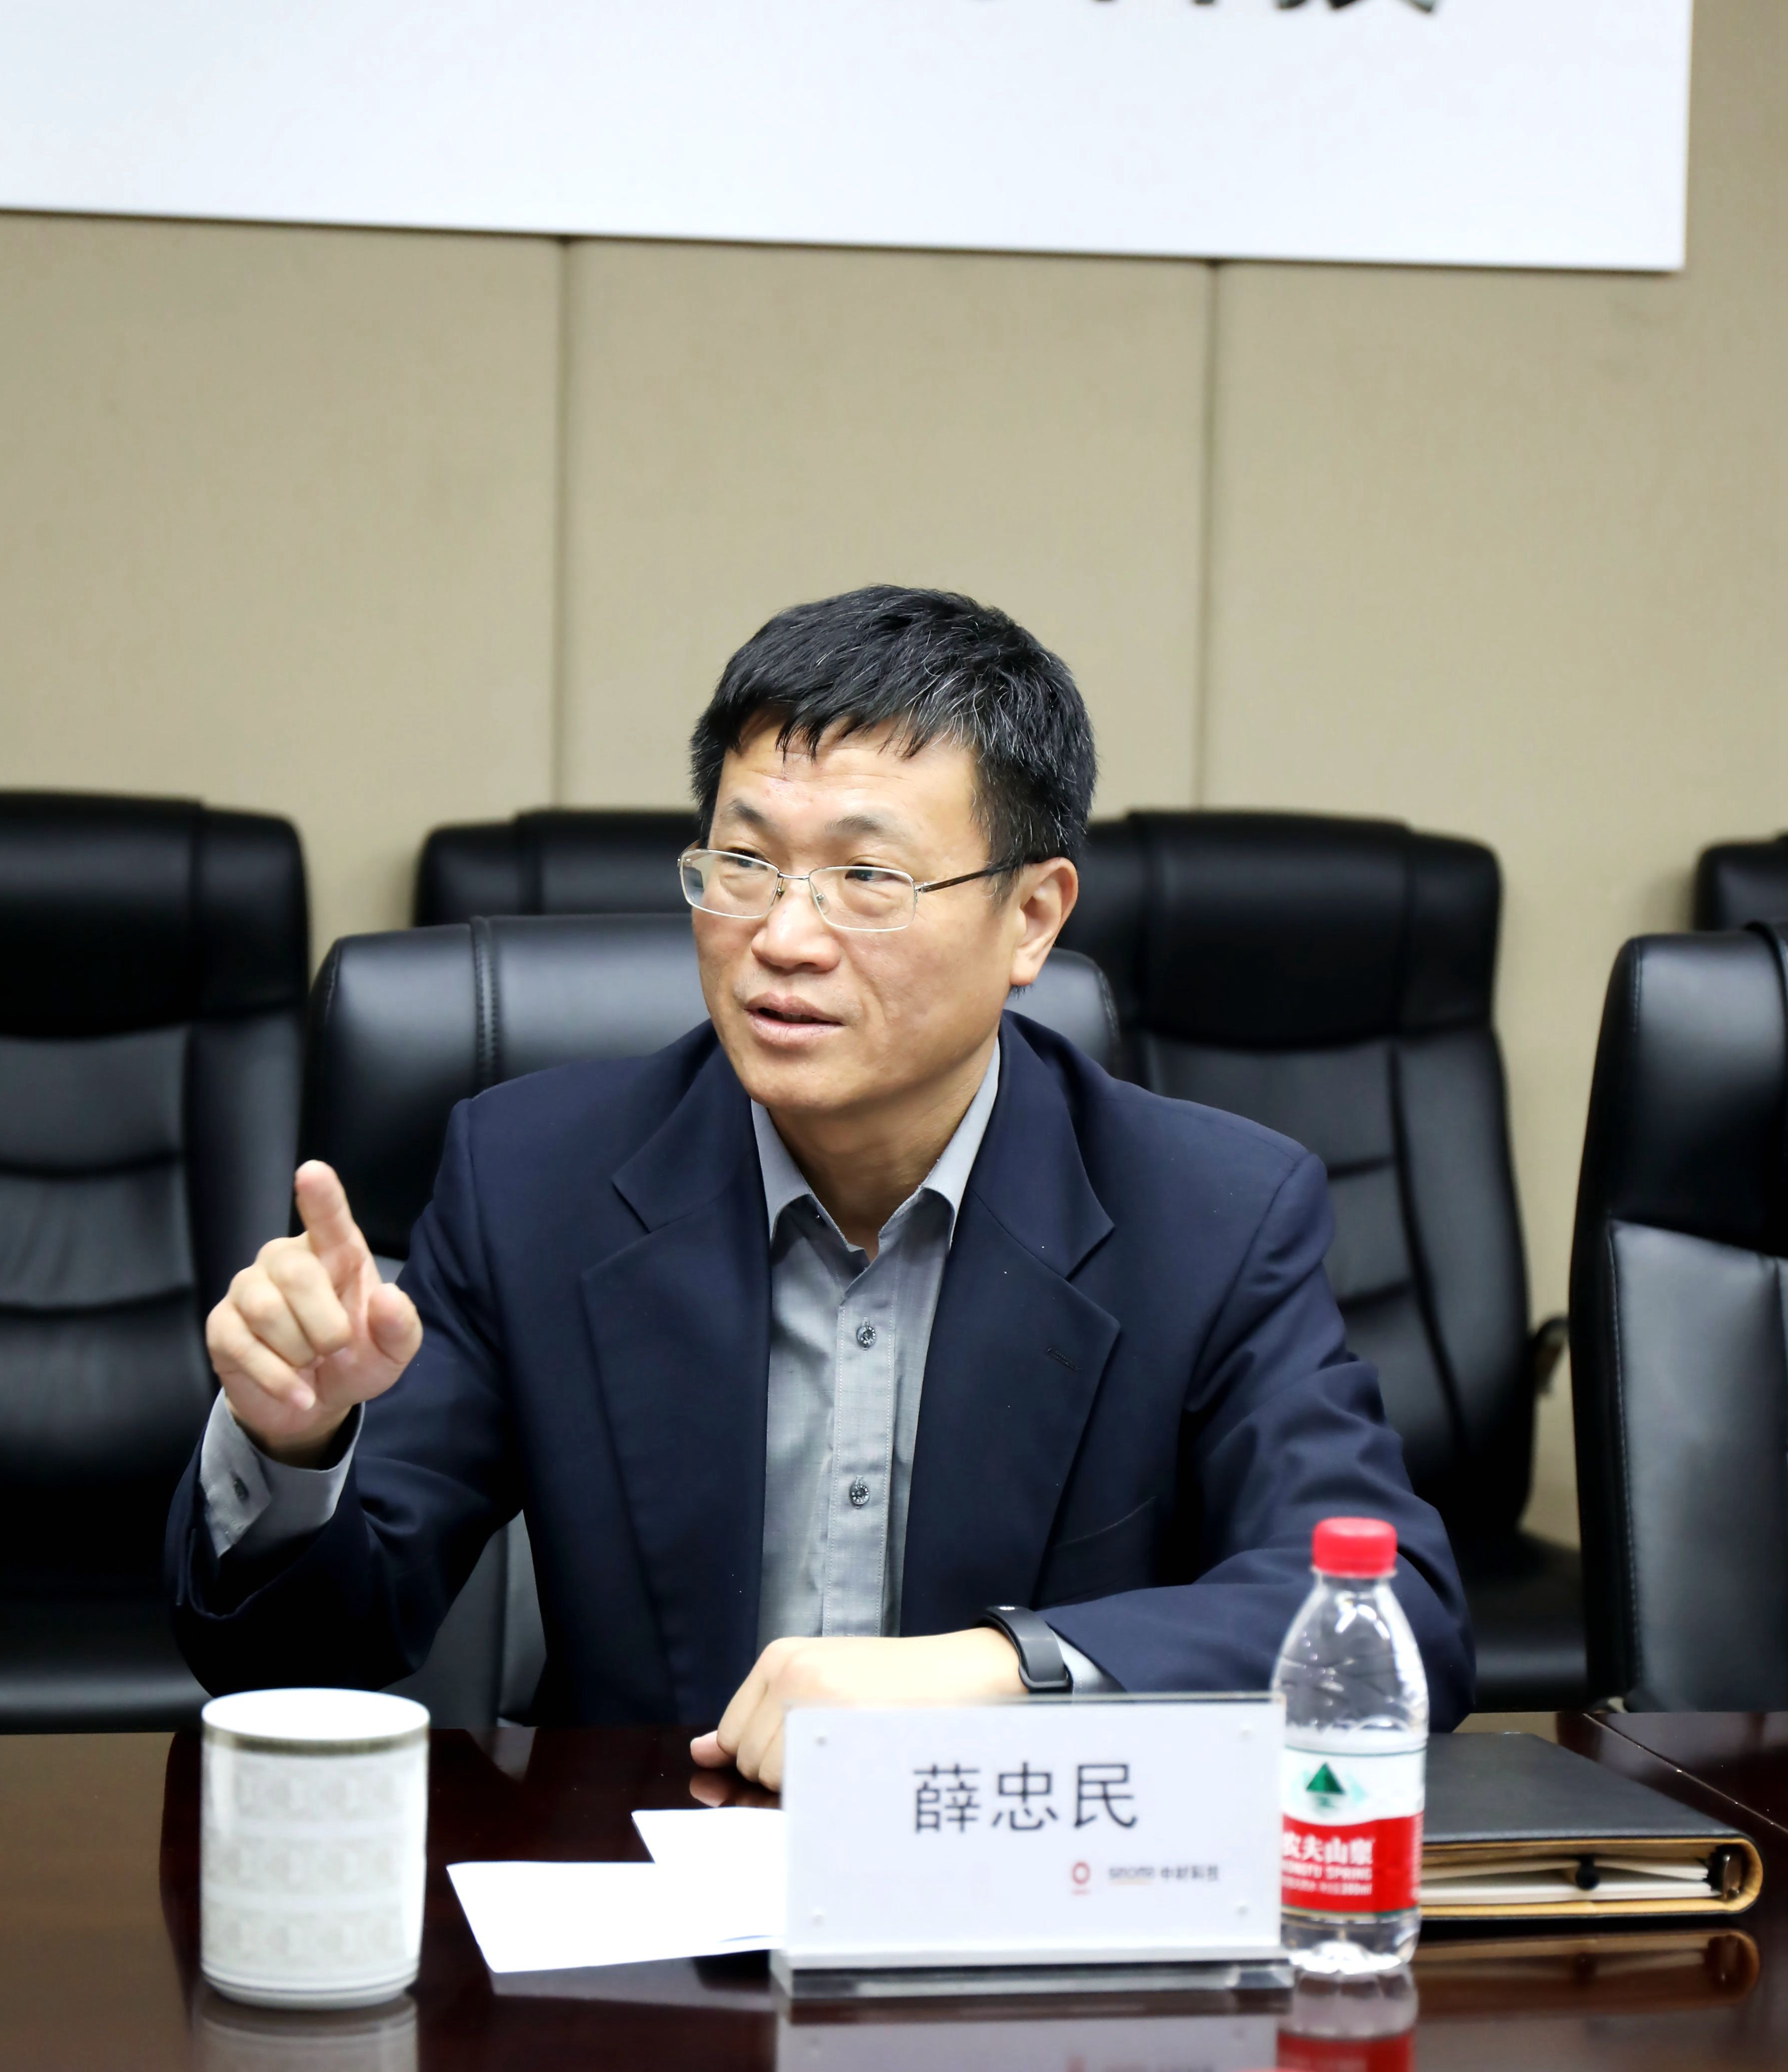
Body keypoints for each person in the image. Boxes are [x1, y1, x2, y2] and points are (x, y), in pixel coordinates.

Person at [168, 585, 1473, 1785]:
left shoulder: (1212, 1215)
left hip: (1028, 1907)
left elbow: (1395, 1618)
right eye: (745, 865)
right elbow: (295, 1656)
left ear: (1031, 918)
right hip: (644, 1901)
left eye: (867, 878)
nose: (783, 937)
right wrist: (295, 1446)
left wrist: (1001, 1671)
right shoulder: (533, 1184)